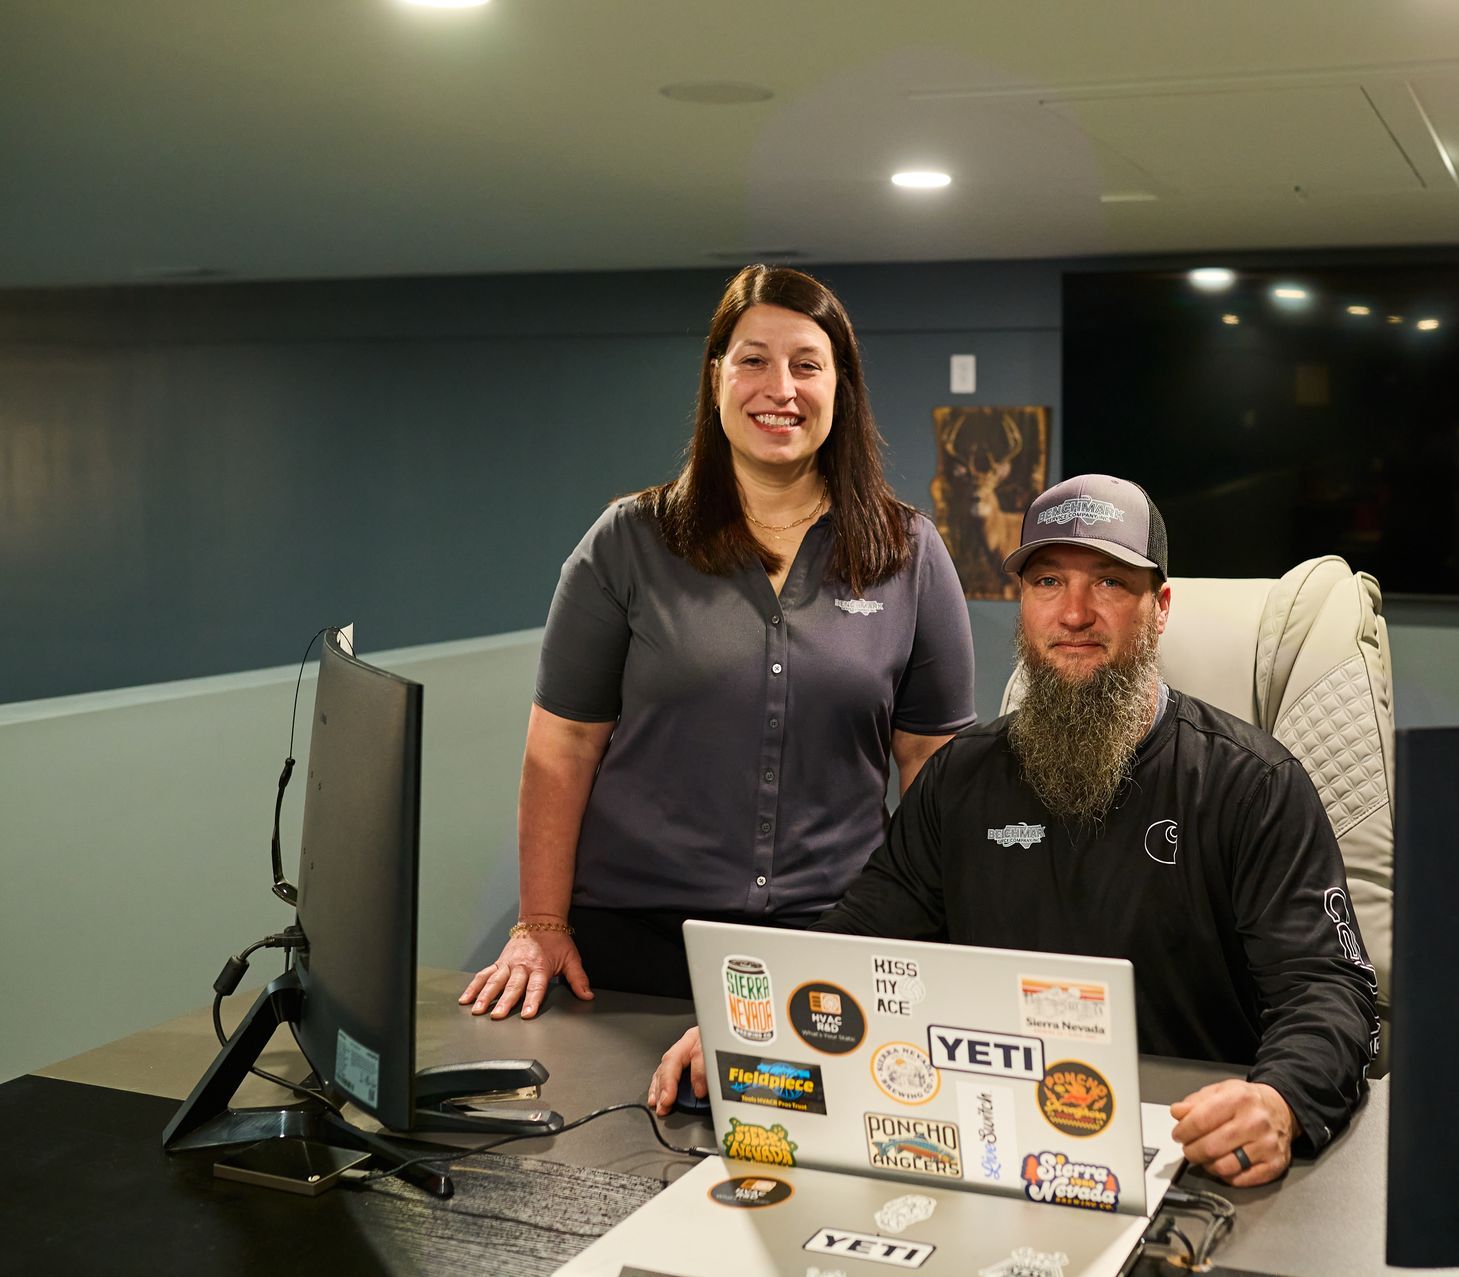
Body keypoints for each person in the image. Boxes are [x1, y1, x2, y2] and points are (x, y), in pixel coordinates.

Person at [648, 474, 1379, 1188]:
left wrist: (1279, 1098)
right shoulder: (961, 779)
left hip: (1190, 1161)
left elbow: (1329, 990)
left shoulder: (1252, 785)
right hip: (997, 1149)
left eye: (1110, 583)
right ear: (1022, 603)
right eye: (1048, 582)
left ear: (1159, 608)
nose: (1075, 613)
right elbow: (859, 937)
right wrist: (750, 1027)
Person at [460, 265, 976, 1015]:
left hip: (833, 944)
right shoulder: (627, 542)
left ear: (842, 386)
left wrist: (948, 930)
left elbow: (935, 765)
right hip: (633, 944)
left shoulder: (909, 552)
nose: (782, 388)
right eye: (753, 360)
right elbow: (561, 746)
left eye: (807, 364)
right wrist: (539, 923)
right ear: (715, 379)